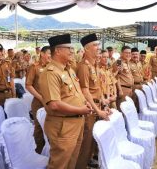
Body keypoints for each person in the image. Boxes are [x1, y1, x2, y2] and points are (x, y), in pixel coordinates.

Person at [38, 34, 92, 169]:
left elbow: (76, 92)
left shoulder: (68, 70)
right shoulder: (50, 72)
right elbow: (54, 104)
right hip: (63, 126)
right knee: (59, 164)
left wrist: (85, 102)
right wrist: (81, 110)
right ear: (57, 51)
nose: (72, 51)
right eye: (69, 48)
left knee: (71, 162)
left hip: (75, 123)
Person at [76, 33, 110, 169]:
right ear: (86, 49)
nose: (98, 48)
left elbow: (97, 88)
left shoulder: (94, 65)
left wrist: (103, 104)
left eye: (98, 45)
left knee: (92, 142)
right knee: (86, 142)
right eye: (95, 45)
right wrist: (97, 111)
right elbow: (85, 91)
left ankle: (88, 162)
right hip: (89, 109)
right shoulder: (84, 66)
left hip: (97, 106)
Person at [25, 46, 51, 154]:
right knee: (39, 128)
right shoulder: (34, 67)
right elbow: (28, 85)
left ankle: (48, 152)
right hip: (38, 103)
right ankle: (38, 152)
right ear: (42, 54)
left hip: (51, 102)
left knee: (50, 127)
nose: (51, 56)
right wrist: (40, 97)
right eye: (49, 53)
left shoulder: (52, 67)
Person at [0, 42, 16, 107]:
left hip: (9, 94)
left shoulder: (8, 63)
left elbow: (11, 79)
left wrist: (14, 95)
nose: (0, 54)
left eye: (1, 51)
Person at [112, 45, 134, 111]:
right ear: (121, 53)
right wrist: (120, 90)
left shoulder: (127, 62)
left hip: (129, 89)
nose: (128, 54)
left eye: (129, 53)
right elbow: (116, 77)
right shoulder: (119, 62)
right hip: (123, 89)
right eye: (126, 53)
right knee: (122, 110)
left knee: (128, 110)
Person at [129, 47, 144, 112]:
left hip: (140, 85)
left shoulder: (139, 63)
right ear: (131, 55)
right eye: (133, 54)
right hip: (134, 86)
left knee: (139, 103)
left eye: (136, 54)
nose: (135, 56)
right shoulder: (128, 64)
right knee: (133, 102)